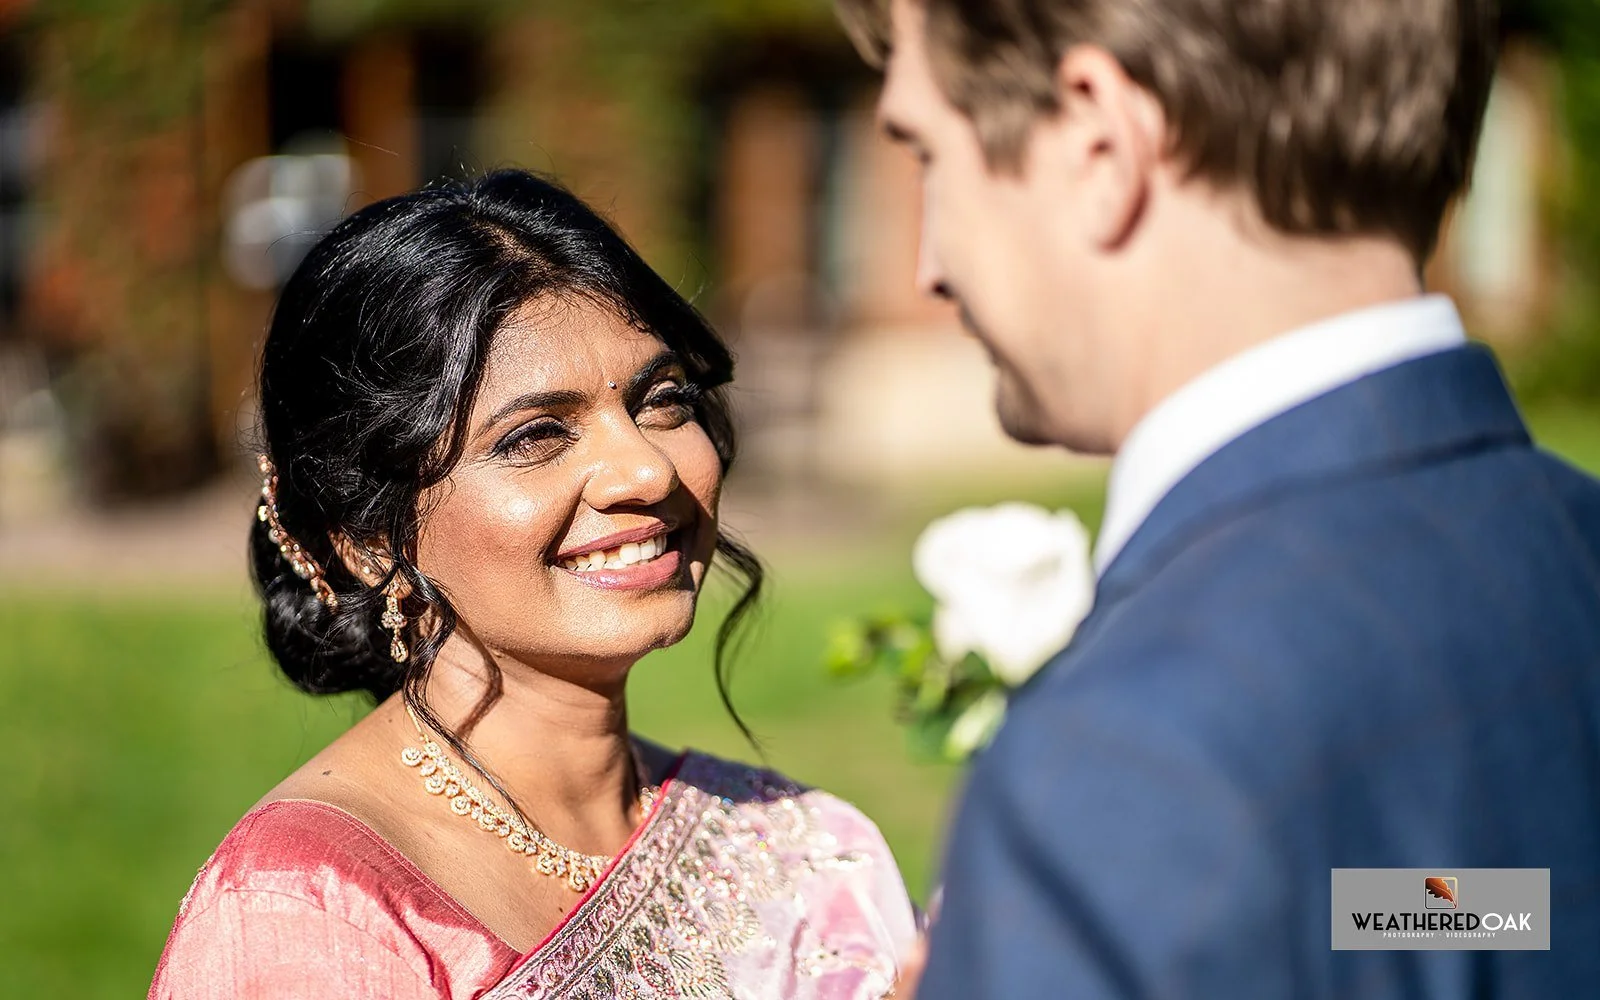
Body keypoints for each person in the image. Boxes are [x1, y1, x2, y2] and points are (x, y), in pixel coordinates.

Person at [838, 0, 1600, 996]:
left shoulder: (1126, 768)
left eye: (928, 155)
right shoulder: (1569, 549)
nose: (928, 267)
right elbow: (1498, 907)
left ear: (1098, 142)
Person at [148, 170, 916, 999]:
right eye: (536, 436)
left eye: (662, 400)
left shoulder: (814, 859)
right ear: (367, 540)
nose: (647, 470)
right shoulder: (307, 912)